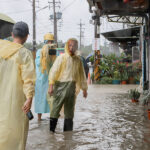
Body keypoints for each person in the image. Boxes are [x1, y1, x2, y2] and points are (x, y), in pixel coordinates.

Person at [0, 21, 35, 150]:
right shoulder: (24, 53)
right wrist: (29, 98)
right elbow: (28, 79)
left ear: (12, 34)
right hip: (16, 102)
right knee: (16, 134)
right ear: (26, 36)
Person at [48, 38, 88, 132]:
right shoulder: (62, 58)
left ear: (76, 47)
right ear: (66, 46)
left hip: (71, 87)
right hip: (60, 87)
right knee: (55, 109)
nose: (71, 48)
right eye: (70, 45)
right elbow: (54, 71)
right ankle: (51, 132)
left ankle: (68, 135)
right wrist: (51, 86)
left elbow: (82, 75)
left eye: (74, 46)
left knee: (70, 111)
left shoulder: (78, 60)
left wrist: (84, 89)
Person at [35, 33, 57, 121]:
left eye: (51, 41)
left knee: (52, 98)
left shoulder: (54, 52)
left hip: (50, 79)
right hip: (41, 79)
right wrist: (45, 55)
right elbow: (37, 63)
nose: (50, 43)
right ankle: (39, 119)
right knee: (40, 98)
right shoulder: (39, 51)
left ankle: (53, 118)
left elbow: (56, 65)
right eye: (48, 41)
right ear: (45, 42)